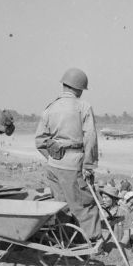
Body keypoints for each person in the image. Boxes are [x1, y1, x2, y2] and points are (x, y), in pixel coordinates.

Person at [35, 68, 102, 243]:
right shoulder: (83, 107)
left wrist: (55, 155)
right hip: (74, 165)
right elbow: (91, 138)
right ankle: (94, 242)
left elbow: (40, 140)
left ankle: (65, 240)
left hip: (53, 166)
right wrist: (88, 165)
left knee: (61, 205)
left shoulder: (50, 107)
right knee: (84, 205)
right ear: (79, 88)